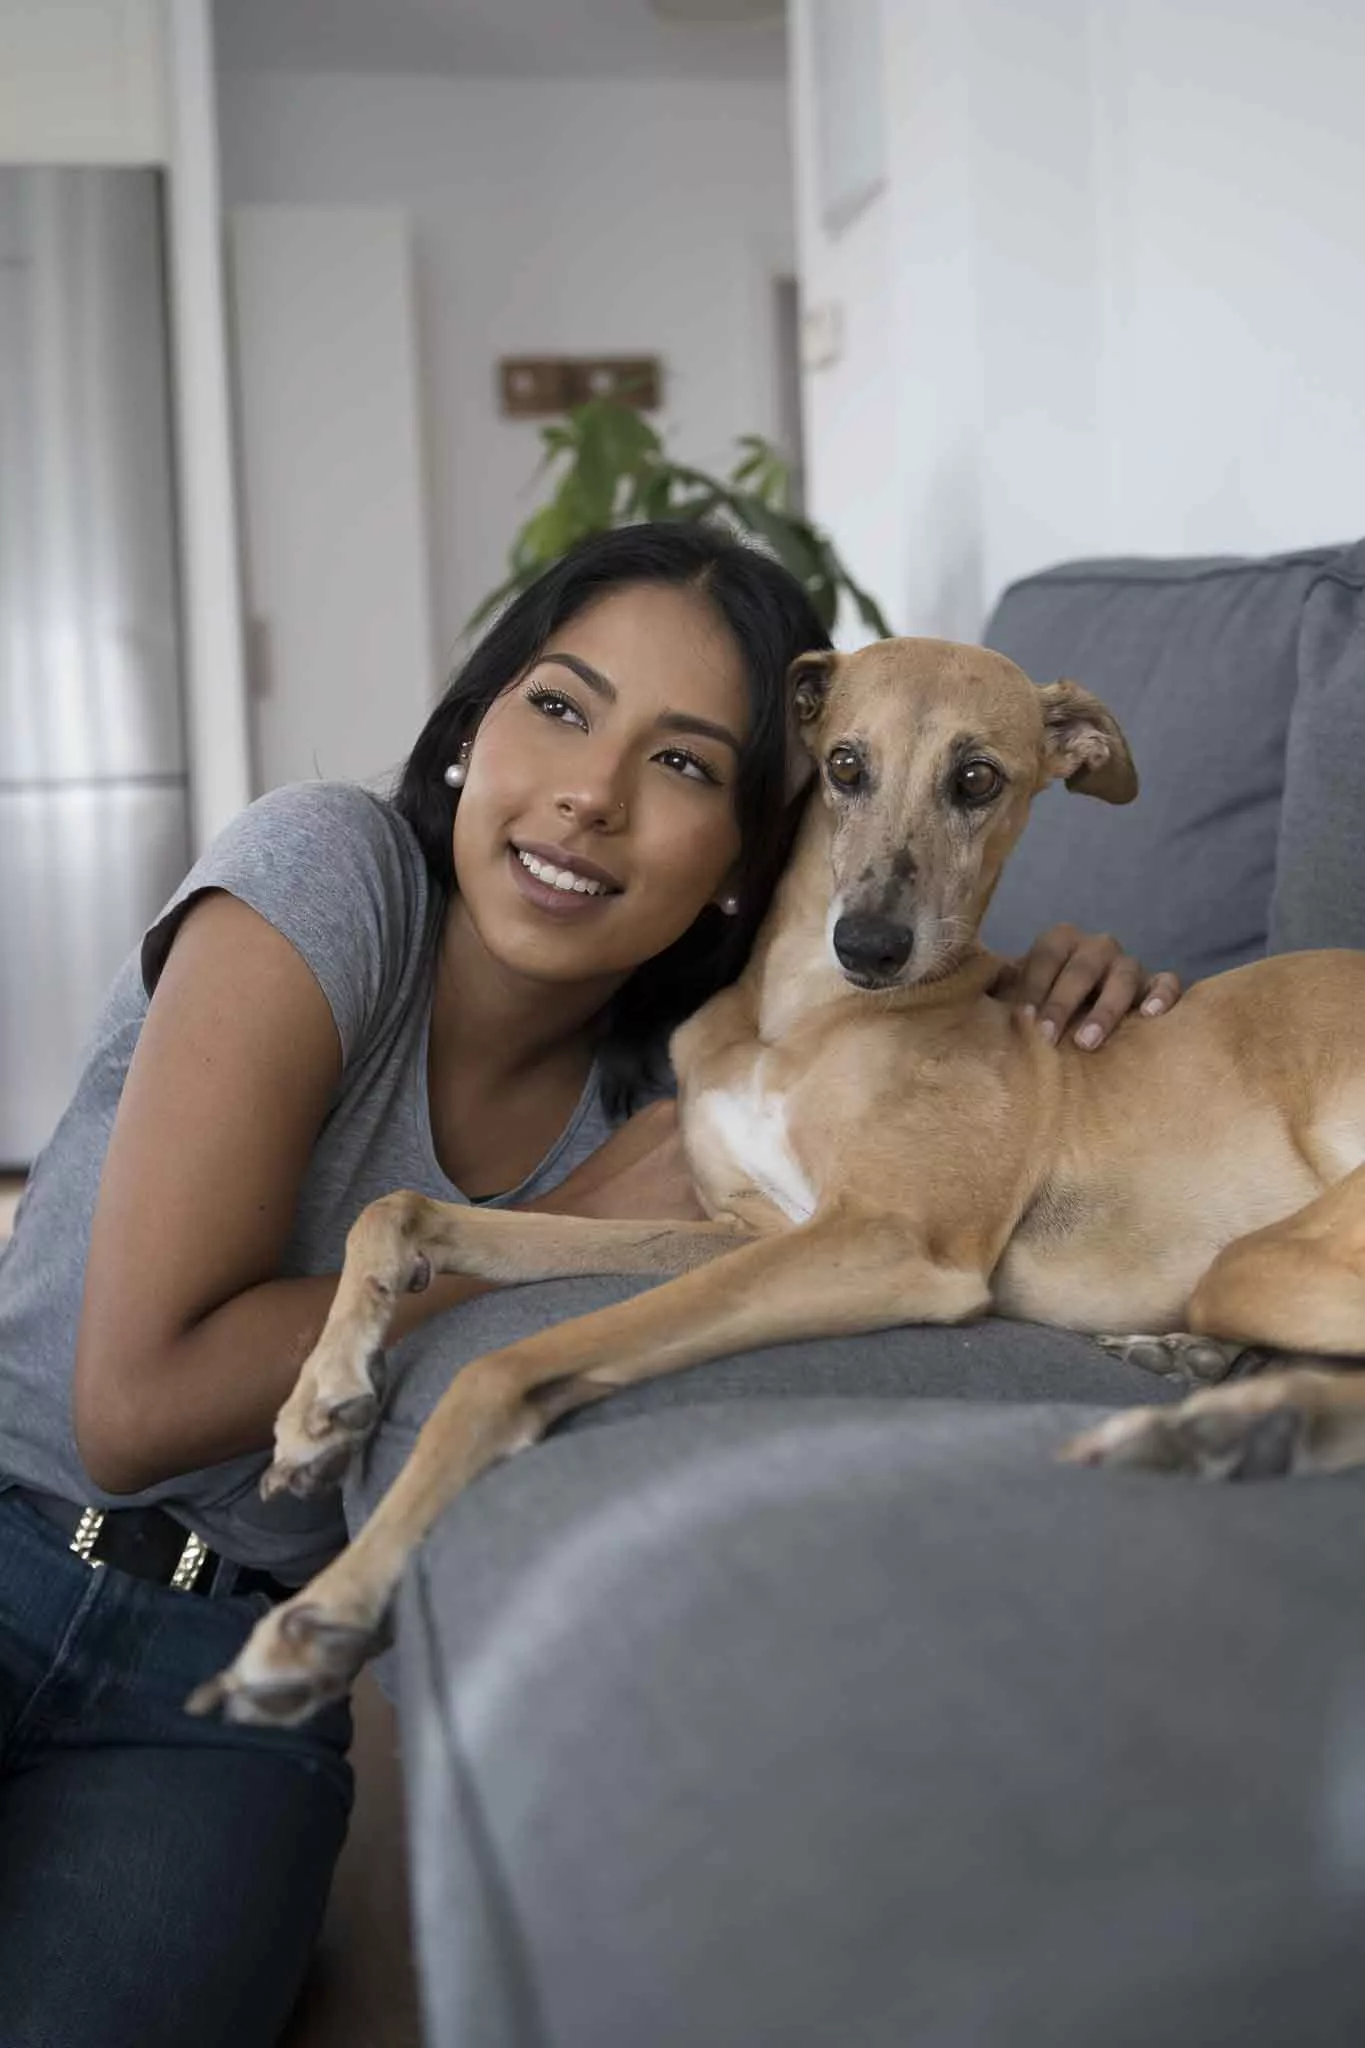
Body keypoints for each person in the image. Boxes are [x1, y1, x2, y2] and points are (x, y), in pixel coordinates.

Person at [0, 523, 1180, 2046]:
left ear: (757, 851)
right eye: (559, 706)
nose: (590, 794)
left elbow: (919, 1107)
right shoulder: (329, 873)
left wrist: (1046, 993)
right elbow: (133, 1409)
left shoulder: (716, 1092)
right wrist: (552, 1217)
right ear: (475, 723)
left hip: (229, 1697)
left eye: (686, 765)